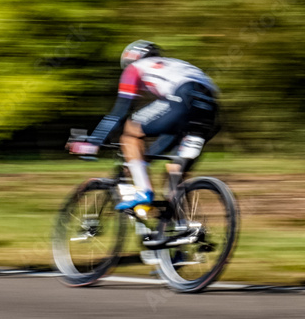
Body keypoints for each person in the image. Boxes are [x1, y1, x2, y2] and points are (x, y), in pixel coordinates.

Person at [71, 41, 219, 212]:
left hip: (181, 100)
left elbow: (120, 111)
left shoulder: (135, 68)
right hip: (210, 110)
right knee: (174, 173)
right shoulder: (174, 65)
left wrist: (94, 142)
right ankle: (180, 225)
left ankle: (143, 191)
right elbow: (172, 131)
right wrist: (146, 157)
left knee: (130, 133)